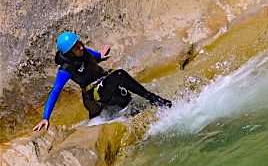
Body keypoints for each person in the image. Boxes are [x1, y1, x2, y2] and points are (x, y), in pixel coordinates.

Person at [33, 31, 172, 131]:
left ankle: (144, 116)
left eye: (79, 43)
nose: (80, 47)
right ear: (69, 53)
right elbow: (55, 91)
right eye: (76, 47)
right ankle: (156, 100)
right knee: (119, 75)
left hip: (104, 86)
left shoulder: (82, 51)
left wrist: (101, 55)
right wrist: (45, 117)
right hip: (95, 94)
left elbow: (95, 57)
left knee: (126, 100)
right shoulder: (65, 69)